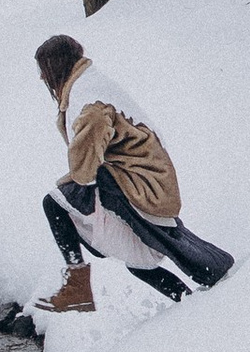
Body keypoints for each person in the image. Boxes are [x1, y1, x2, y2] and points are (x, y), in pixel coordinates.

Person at [32, 32, 235, 313]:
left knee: (53, 203)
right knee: (135, 256)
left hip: (139, 183)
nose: (43, 79)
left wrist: (74, 183)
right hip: (145, 181)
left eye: (44, 72)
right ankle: (187, 301)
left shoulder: (90, 100)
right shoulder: (88, 85)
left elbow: (83, 167)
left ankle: (78, 285)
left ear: (55, 67)